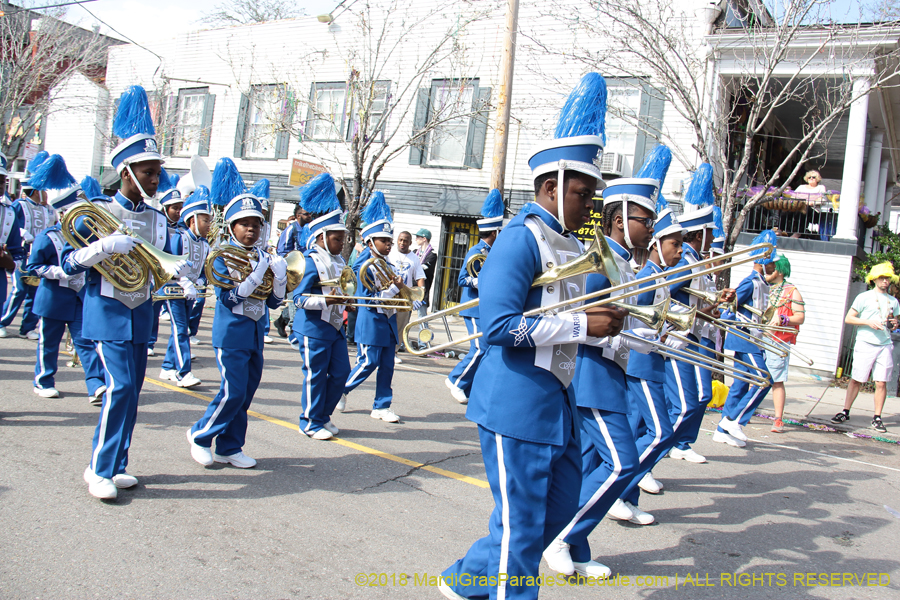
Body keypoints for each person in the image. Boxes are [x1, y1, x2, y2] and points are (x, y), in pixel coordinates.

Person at [440, 72, 628, 600]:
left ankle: (465, 578)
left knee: (559, 508)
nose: (592, 206)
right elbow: (498, 327)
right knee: (520, 526)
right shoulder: (518, 241)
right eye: (583, 193)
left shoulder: (568, 243)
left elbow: (567, 318)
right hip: (516, 404)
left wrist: (601, 322)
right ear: (551, 187)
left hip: (557, 403)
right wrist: (582, 325)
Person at [62, 85, 191, 500]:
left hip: (140, 315)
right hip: (105, 312)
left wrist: (181, 278)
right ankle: (97, 468)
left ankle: (117, 465)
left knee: (132, 393)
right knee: (118, 387)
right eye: (149, 172)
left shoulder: (156, 218)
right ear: (127, 173)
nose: (157, 180)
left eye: (157, 172)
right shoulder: (97, 211)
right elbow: (68, 264)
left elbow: (157, 269)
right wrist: (99, 248)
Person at [543, 170, 666, 580]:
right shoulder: (600, 264)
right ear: (619, 220)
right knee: (622, 463)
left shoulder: (626, 266)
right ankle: (561, 536)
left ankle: (577, 547)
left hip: (611, 376)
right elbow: (573, 322)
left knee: (588, 467)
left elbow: (625, 325)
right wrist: (616, 338)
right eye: (645, 221)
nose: (651, 230)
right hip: (591, 376)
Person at [187, 158, 288, 469]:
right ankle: (200, 435)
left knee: (245, 394)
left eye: (256, 225)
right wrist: (257, 274)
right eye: (245, 224)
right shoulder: (220, 255)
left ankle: (230, 446)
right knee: (232, 391)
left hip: (256, 332)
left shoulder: (262, 255)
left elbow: (272, 303)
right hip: (231, 333)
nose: (251, 230)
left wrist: (281, 279)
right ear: (232, 227)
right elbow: (229, 299)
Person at [666, 166, 734, 464]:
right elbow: (665, 295)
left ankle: (679, 442)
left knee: (702, 396)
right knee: (685, 400)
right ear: (699, 233)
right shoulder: (685, 262)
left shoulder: (697, 261)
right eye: (709, 232)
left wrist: (716, 305)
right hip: (682, 336)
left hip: (698, 335)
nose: (712, 239)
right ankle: (671, 443)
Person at [27, 158, 104, 403]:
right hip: (53, 299)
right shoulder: (47, 237)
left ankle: (96, 385)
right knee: (48, 344)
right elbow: (33, 267)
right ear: (63, 214)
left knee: (85, 342)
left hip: (79, 300)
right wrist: (58, 272)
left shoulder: (87, 238)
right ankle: (43, 381)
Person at [292, 172, 350, 440]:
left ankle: (323, 416)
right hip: (314, 328)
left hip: (336, 327)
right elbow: (298, 299)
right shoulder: (310, 260)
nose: (342, 243)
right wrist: (328, 299)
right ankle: (310, 420)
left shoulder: (339, 262)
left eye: (343, 238)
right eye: (337, 239)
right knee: (315, 376)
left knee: (341, 374)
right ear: (321, 238)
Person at [341, 191, 406, 423]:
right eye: (384, 241)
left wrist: (404, 294)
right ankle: (341, 389)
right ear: (370, 241)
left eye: (390, 241)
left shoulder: (386, 262)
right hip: (371, 320)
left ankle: (382, 405)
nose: (389, 245)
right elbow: (365, 298)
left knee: (387, 365)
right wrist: (394, 290)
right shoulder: (363, 263)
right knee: (368, 362)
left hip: (387, 320)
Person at [714, 229, 778, 447]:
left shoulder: (762, 282)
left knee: (740, 385)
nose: (774, 266)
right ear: (763, 260)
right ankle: (736, 420)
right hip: (744, 337)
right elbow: (729, 307)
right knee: (763, 379)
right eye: (771, 261)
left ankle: (722, 429)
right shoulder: (750, 282)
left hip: (753, 338)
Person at [444, 189, 504, 404]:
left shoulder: (492, 252)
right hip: (473, 307)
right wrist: (481, 282)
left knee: (486, 349)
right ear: (495, 232)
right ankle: (456, 380)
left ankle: (468, 387)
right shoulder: (477, 250)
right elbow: (462, 279)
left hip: (484, 308)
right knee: (479, 348)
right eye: (501, 231)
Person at [831, 262, 900, 434]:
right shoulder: (864, 297)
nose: (885, 281)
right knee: (856, 379)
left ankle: (877, 417)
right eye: (882, 278)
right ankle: (845, 411)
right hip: (865, 342)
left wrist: (894, 323)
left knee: (881, 381)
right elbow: (849, 318)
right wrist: (868, 322)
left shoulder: (893, 301)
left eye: (888, 278)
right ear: (874, 278)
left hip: (884, 344)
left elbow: (894, 324)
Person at [0, 151, 57, 340]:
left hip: (36, 255)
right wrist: (26, 235)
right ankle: (3, 321)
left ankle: (28, 327)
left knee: (35, 290)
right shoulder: (18, 205)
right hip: (22, 254)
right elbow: (14, 228)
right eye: (42, 190)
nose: (46, 194)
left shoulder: (47, 209)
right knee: (19, 289)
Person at [159, 185, 211, 388]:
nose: (208, 224)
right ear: (192, 221)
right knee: (181, 329)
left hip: (190, 294)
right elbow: (169, 264)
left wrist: (199, 279)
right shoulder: (179, 238)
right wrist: (184, 281)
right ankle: (183, 372)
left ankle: (167, 366)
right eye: (205, 220)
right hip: (173, 291)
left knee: (181, 329)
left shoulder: (205, 244)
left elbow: (201, 269)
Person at [765, 254, 805, 433]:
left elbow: (800, 317)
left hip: (779, 341)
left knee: (777, 380)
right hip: (760, 339)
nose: (768, 269)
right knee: (754, 379)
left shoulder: (791, 291)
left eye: (771, 266)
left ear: (779, 270)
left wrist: (783, 319)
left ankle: (778, 419)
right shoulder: (764, 287)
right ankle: (745, 413)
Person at [148, 176, 183, 357]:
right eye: (174, 208)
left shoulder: (182, 229)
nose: (178, 212)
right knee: (153, 310)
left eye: (180, 209)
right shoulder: (156, 224)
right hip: (156, 273)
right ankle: (149, 341)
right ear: (165, 208)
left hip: (174, 276)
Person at [274, 202, 313, 338]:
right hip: (294, 271)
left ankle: (281, 320)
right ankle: (293, 329)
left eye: (310, 214)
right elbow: (282, 251)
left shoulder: (311, 229)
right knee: (294, 299)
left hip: (308, 271)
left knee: (303, 300)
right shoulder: (291, 229)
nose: (309, 216)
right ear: (298, 215)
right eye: (306, 214)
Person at [388, 230, 425, 363]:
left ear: (410, 243)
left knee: (400, 325)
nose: (402, 243)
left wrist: (419, 294)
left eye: (405, 241)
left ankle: (394, 351)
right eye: (400, 240)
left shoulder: (414, 258)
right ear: (397, 240)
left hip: (404, 297)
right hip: (390, 295)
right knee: (386, 323)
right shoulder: (390, 254)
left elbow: (420, 277)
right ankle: (384, 350)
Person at [0, 178, 25, 337]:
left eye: (2, 181)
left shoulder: (9, 212)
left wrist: (9, 260)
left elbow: (16, 251)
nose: (0, 185)